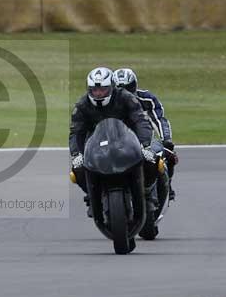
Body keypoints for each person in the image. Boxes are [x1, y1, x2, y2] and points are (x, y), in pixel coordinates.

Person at [69, 66, 156, 217]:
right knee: (77, 169)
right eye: (94, 90)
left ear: (111, 87)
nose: (98, 93)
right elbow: (76, 132)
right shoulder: (82, 105)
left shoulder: (125, 97)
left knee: (152, 160)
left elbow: (141, 121)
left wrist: (145, 145)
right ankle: (93, 196)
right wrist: (77, 154)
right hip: (96, 146)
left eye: (102, 89)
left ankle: (146, 192)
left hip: (127, 141)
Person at [112, 67, 177, 200]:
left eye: (128, 88)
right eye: (120, 89)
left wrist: (167, 139)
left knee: (168, 154)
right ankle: (94, 195)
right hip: (114, 142)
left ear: (135, 86)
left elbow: (159, 119)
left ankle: (167, 187)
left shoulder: (147, 99)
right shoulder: (106, 103)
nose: (125, 93)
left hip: (144, 142)